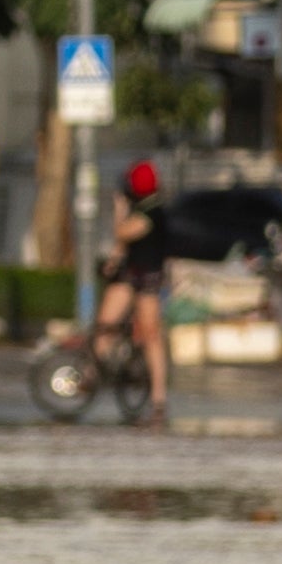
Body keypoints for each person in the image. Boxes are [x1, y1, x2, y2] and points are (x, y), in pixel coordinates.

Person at [98, 160, 171, 418]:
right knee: (105, 324)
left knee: (151, 335)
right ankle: (92, 371)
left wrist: (119, 211)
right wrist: (114, 261)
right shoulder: (142, 208)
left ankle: (158, 396)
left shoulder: (153, 212)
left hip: (148, 279)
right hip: (129, 275)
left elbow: (123, 233)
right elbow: (123, 246)